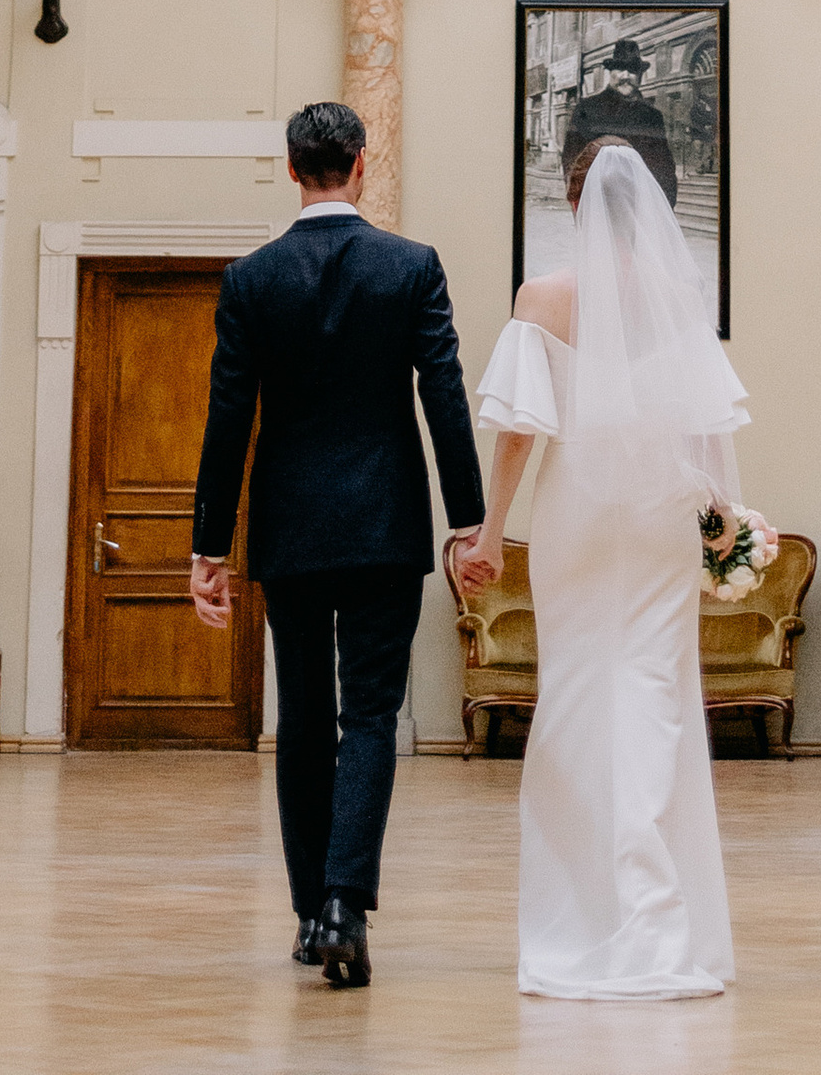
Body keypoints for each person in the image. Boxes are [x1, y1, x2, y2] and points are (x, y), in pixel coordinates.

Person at [190, 100, 487, 993]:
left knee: (305, 719)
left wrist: (209, 546)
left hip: (289, 532)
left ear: (292, 170)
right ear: (362, 162)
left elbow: (227, 420)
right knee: (369, 718)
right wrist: (468, 521)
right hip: (385, 527)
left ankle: (307, 910)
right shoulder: (411, 267)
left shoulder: (251, 278)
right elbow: (444, 395)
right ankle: (344, 905)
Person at [455, 106, 746, 1000]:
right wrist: (723, 522)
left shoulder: (541, 298)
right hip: (659, 517)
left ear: (575, 206)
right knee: (656, 695)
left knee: (579, 696)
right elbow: (704, 431)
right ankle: (659, 920)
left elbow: (518, 433)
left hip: (578, 516)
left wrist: (490, 532)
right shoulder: (679, 301)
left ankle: (584, 918)